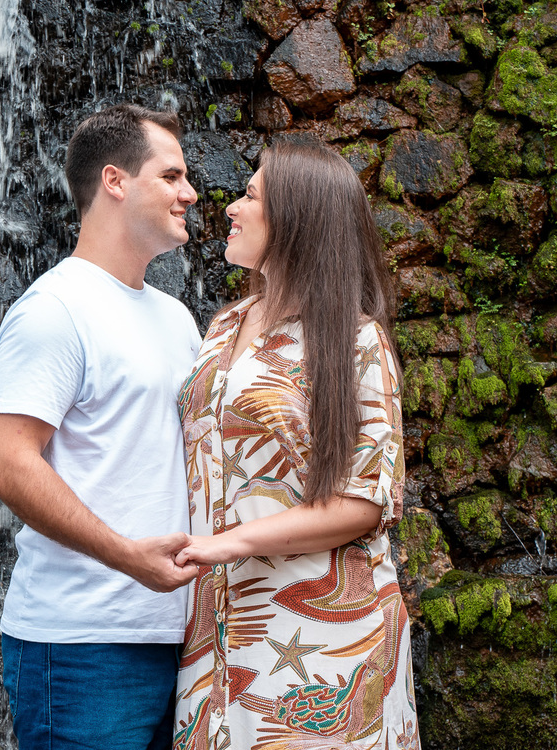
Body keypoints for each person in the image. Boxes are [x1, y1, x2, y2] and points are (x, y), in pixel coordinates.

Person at [171, 138, 420, 749]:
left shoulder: (357, 342)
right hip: (216, 628)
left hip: (326, 641)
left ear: (297, 218)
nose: (229, 207)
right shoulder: (223, 325)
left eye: (250, 196)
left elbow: (364, 502)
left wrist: (224, 544)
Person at [0, 104, 202, 750]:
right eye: (171, 176)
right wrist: (128, 558)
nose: (189, 193)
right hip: (80, 645)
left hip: (174, 635)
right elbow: (7, 461)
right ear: (115, 181)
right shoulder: (55, 309)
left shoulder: (177, 319)